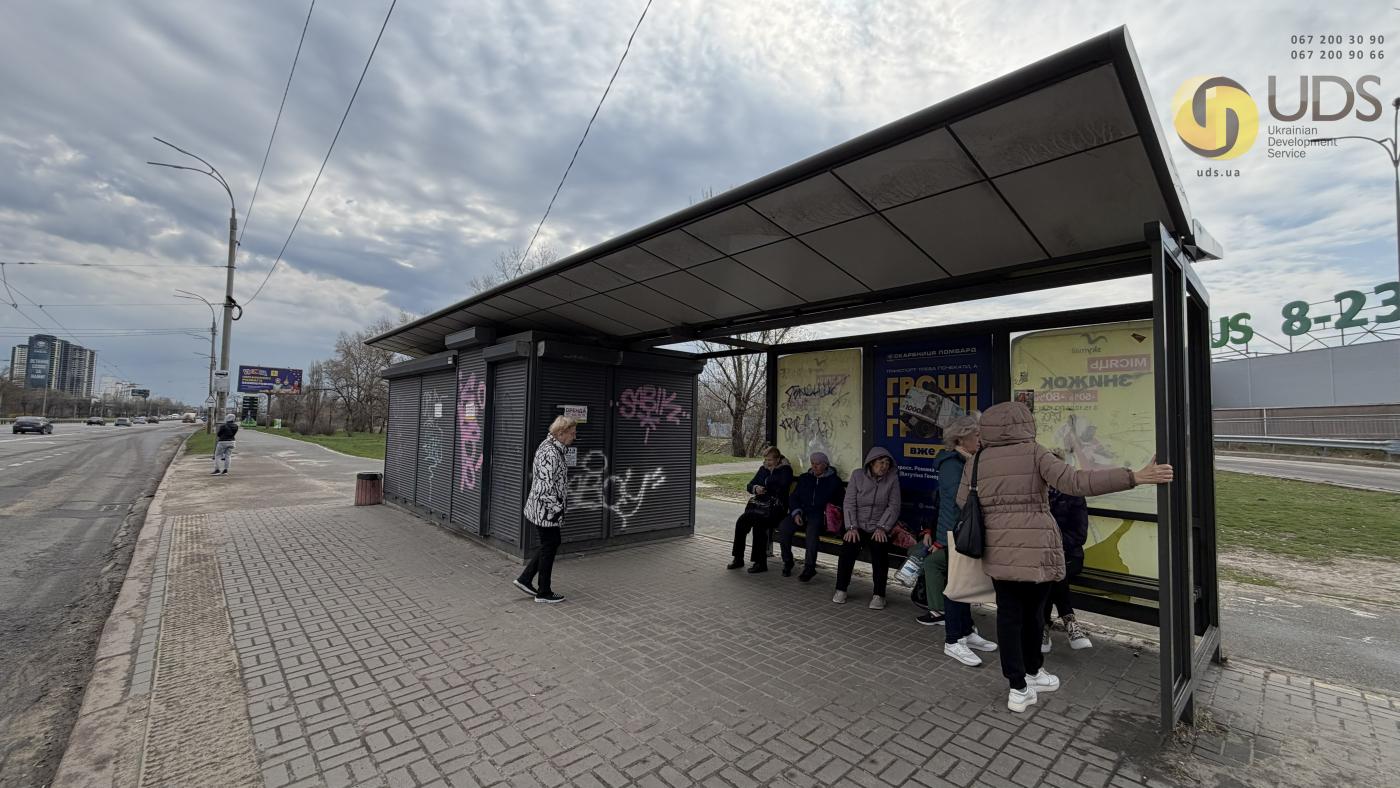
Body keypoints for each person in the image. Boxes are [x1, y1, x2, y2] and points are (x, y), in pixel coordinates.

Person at [958, 401, 1172, 713]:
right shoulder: (1035, 453)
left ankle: (1018, 688)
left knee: (1009, 616)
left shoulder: (978, 460)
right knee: (1034, 614)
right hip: (1038, 550)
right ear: (1025, 424)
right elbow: (1075, 482)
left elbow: (963, 500)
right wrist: (1135, 477)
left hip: (999, 551)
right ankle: (1034, 672)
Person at [916, 415, 999, 666]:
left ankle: (966, 631)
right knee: (956, 587)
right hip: (956, 533)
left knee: (965, 585)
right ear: (960, 439)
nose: (980, 440)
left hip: (964, 532)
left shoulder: (968, 460)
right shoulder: (952, 464)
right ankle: (953, 640)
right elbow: (959, 501)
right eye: (976, 435)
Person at [516, 416, 578, 604]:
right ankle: (543, 592)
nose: (574, 437)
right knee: (550, 543)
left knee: (549, 543)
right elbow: (544, 488)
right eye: (572, 433)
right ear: (561, 433)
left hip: (545, 508)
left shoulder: (553, 448)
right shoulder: (550, 453)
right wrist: (557, 508)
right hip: (546, 510)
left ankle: (525, 579)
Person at [833, 447, 900, 609]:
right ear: (871, 463)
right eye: (880, 462)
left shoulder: (892, 479)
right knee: (848, 549)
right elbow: (849, 503)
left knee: (880, 552)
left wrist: (882, 527)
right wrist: (851, 527)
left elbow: (894, 506)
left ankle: (879, 595)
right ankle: (841, 589)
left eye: (887, 463)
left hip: (879, 526)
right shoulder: (857, 475)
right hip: (857, 525)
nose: (884, 466)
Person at [776, 452, 841, 581]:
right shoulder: (805, 478)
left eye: (818, 464)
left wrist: (829, 509)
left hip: (820, 515)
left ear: (825, 465)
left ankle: (809, 568)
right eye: (812, 463)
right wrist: (796, 513)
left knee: (812, 531)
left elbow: (840, 502)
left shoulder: (834, 481)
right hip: (802, 512)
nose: (814, 466)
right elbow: (794, 497)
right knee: (784, 527)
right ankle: (788, 561)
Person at [1043, 484, 1092, 652]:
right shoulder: (1034, 491)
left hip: (1069, 555)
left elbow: (1080, 534)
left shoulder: (1073, 492)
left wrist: (1053, 544)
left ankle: (1043, 625)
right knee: (1050, 571)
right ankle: (1069, 619)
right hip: (1042, 556)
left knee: (1052, 571)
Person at [729, 447, 793, 573]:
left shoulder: (785, 470)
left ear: (778, 459)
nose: (767, 463)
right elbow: (749, 485)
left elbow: (782, 486)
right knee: (741, 521)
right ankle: (738, 558)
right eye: (766, 460)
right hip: (760, 507)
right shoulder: (763, 469)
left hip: (776, 510)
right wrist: (756, 488)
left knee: (759, 524)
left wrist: (769, 478)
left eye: (770, 460)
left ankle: (760, 562)